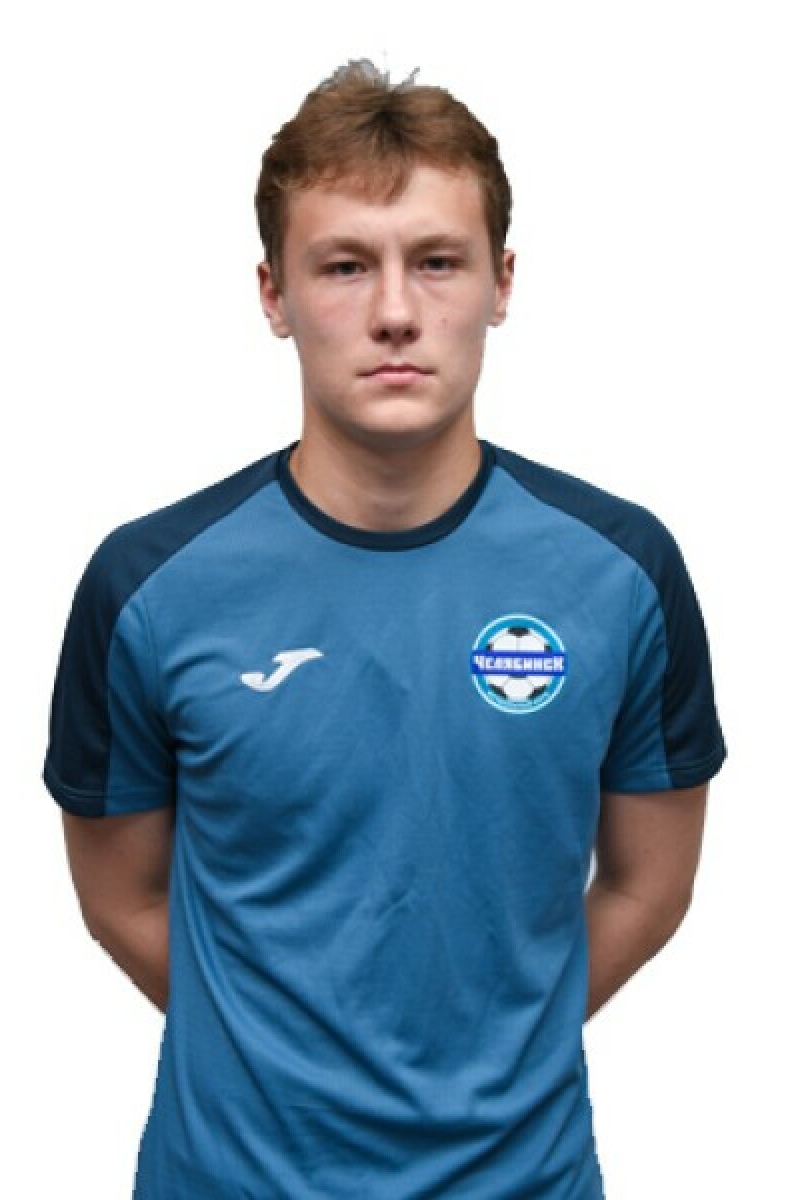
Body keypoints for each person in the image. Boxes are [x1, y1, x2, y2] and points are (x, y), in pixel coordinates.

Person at [42, 58, 727, 1199]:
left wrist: (487, 1055)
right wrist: (289, 1066)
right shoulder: (148, 586)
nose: (396, 311)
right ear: (273, 295)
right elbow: (121, 898)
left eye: (438, 261)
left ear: (502, 282)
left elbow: (648, 889)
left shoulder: (623, 573)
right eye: (345, 265)